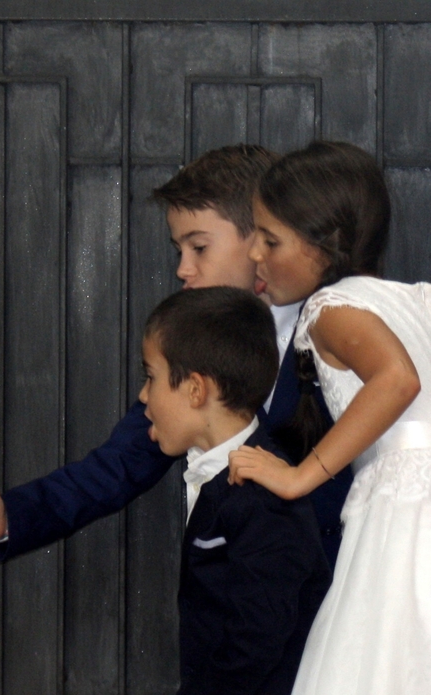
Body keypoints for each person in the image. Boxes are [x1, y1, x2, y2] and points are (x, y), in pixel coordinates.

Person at [0, 144, 350, 566]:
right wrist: (11, 518)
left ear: (261, 236)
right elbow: (118, 465)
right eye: (179, 251)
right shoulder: (189, 346)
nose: (182, 269)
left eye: (199, 247)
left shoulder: (339, 325)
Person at [228, 140, 431, 694]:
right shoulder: (416, 299)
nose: (254, 253)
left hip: (406, 519)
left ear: (325, 245)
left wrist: (300, 476)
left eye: (270, 239)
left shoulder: (330, 307)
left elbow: (397, 380)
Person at [139, 286, 331, 694]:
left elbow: (258, 636)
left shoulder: (262, 496)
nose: (143, 395)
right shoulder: (221, 477)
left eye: (151, 377)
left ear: (195, 390)